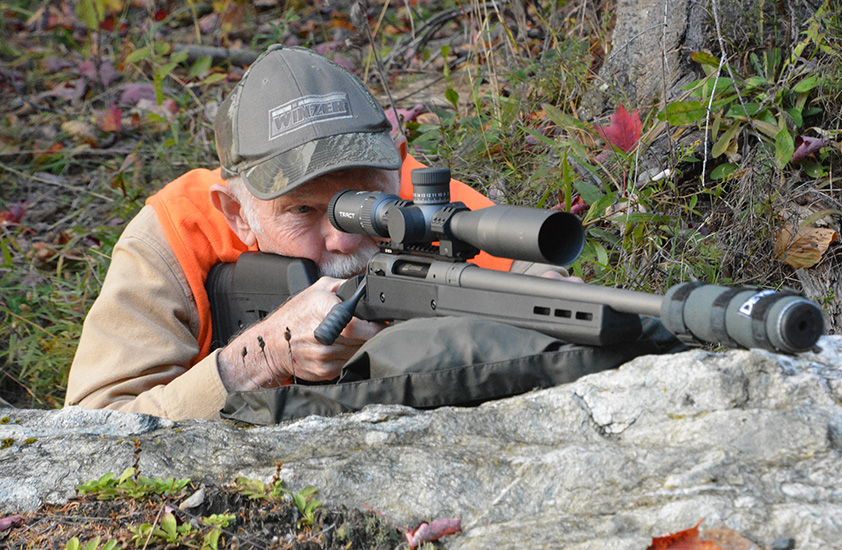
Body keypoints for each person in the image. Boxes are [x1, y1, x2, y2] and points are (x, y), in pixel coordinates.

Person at [65, 45, 569, 421]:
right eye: (303, 210)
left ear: (397, 165)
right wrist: (263, 354)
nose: (345, 239)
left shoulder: (433, 204)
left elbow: (548, 299)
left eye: (370, 202)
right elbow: (90, 431)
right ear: (237, 213)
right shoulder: (175, 235)